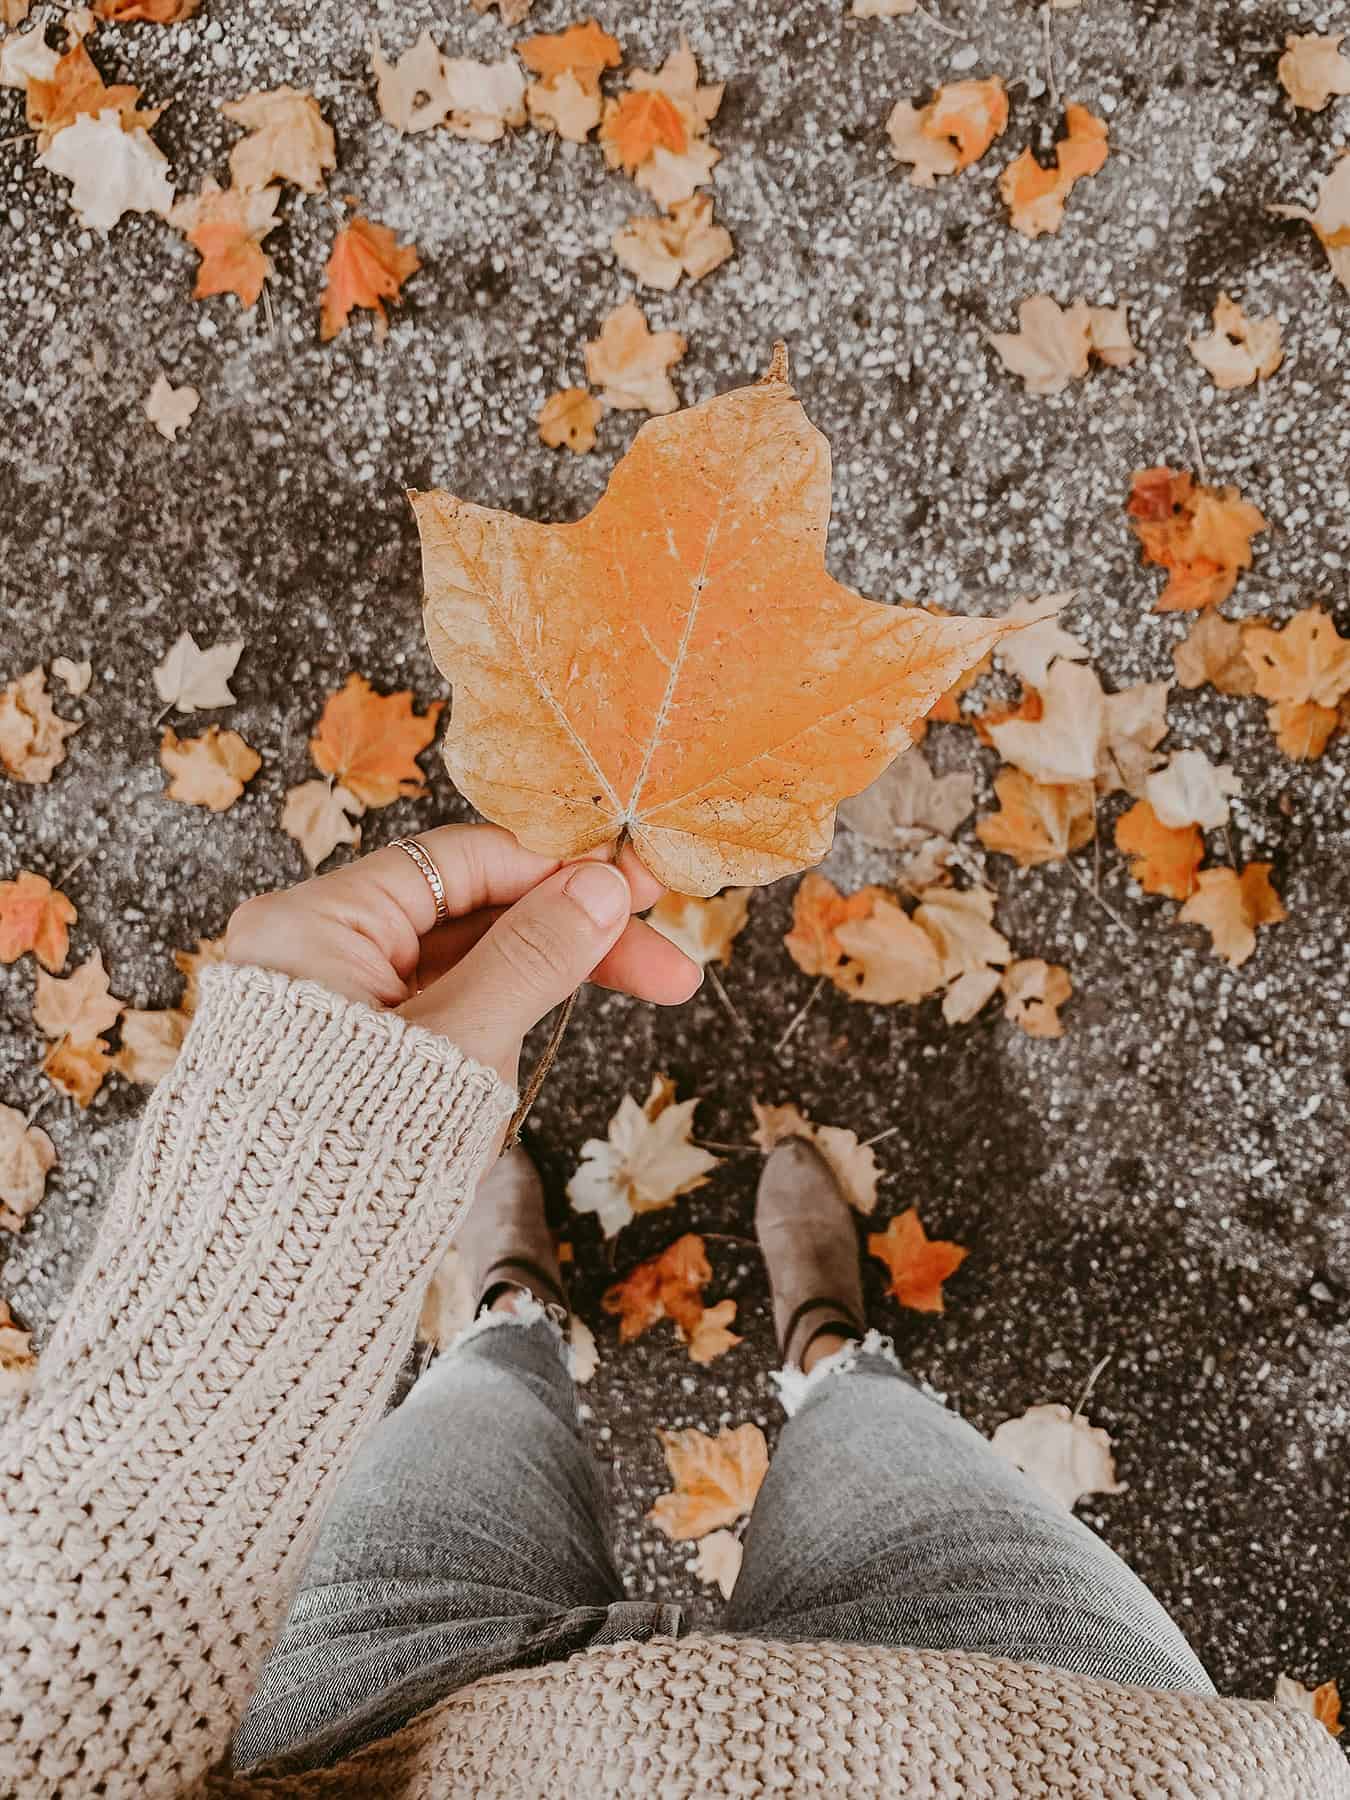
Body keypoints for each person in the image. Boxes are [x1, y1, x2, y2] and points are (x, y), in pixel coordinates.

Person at [1, 825, 1343, 1799]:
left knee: (477, 1403)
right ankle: (829, 1353)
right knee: (884, 1438)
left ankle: (511, 1312)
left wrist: (305, 1131)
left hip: (366, 1724)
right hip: (1050, 1739)